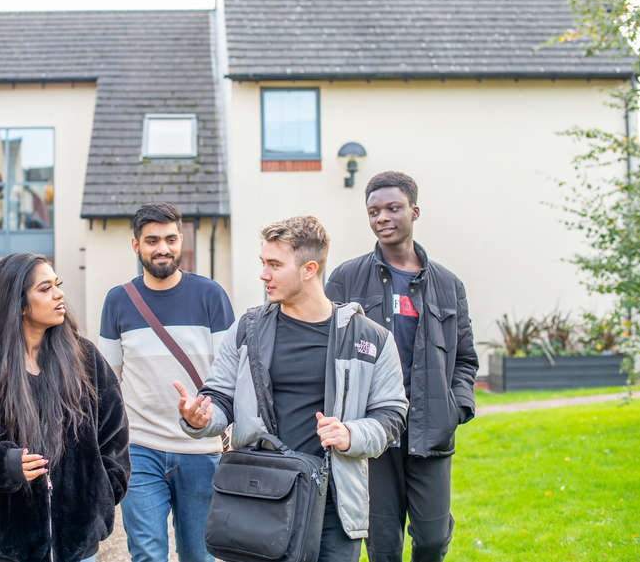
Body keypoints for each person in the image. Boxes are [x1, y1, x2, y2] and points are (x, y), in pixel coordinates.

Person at [176, 215, 408, 562]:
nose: (263, 274)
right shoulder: (247, 329)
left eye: (274, 264)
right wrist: (200, 417)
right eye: (263, 263)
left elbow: (392, 415)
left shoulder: (370, 338)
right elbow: (220, 397)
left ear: (309, 269)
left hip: (335, 503)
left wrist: (350, 433)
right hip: (262, 496)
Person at [324, 171, 479, 562]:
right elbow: (324, 347)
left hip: (430, 433)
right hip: (373, 433)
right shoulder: (346, 279)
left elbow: (465, 359)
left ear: (415, 211)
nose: (382, 218)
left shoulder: (448, 285)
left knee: (431, 539)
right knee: (383, 544)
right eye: (374, 211)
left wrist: (456, 408)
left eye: (393, 208)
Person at [0, 253, 130, 562]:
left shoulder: (85, 360)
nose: (59, 294)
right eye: (45, 288)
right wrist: (5, 465)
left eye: (58, 284)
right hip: (8, 544)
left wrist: (100, 495)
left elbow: (114, 436)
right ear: (18, 303)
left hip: (78, 546)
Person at [98, 202, 235, 562]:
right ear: (136, 246)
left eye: (171, 239)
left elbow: (230, 376)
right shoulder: (117, 302)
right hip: (139, 449)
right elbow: (107, 383)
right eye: (152, 240)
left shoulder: (211, 296)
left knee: (199, 555)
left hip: (202, 450)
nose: (163, 248)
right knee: (147, 553)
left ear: (181, 240)